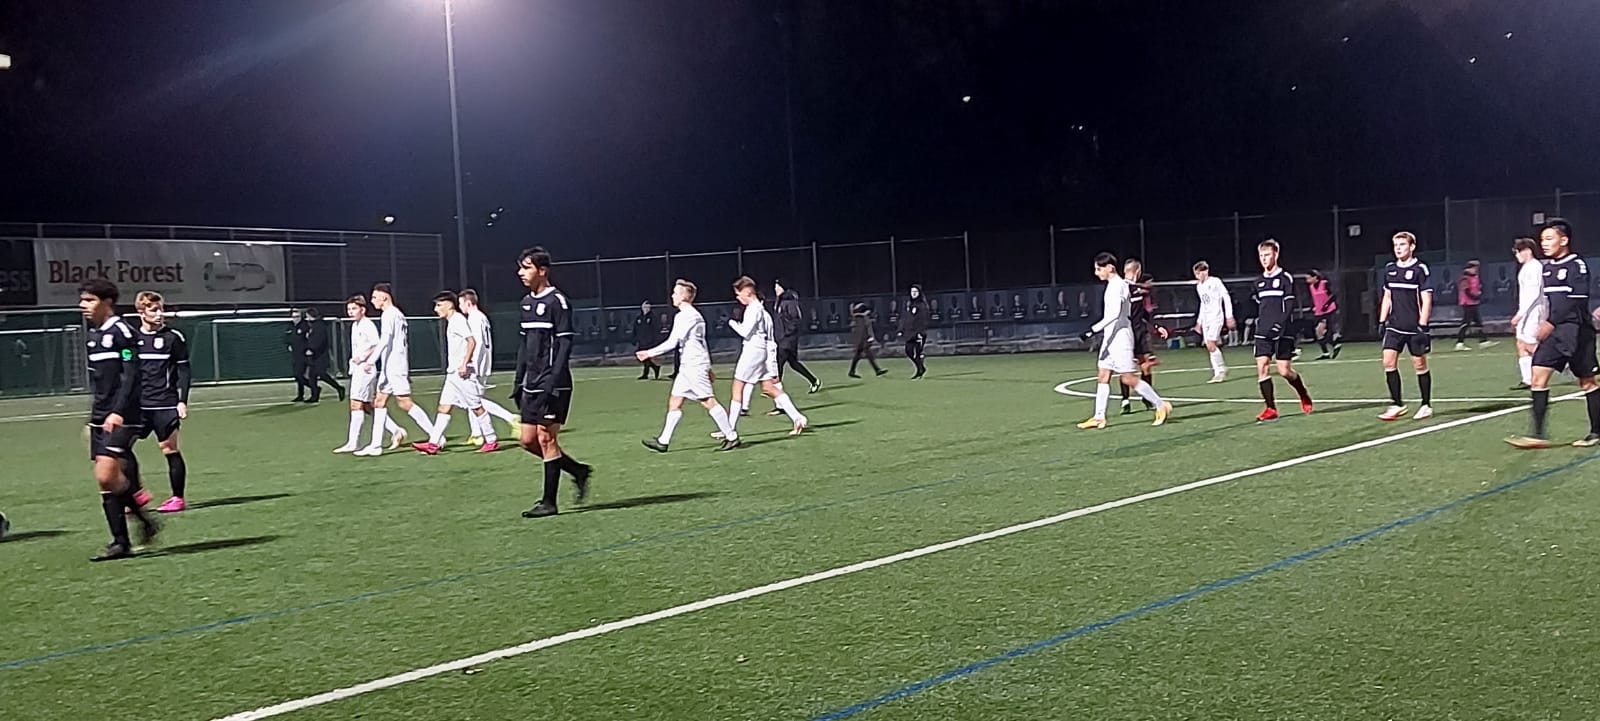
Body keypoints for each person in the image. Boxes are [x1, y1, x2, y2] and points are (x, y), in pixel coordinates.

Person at [78, 278, 160, 561]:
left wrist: (118, 411)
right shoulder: (93, 336)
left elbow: (132, 376)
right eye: (83, 300)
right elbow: (102, 384)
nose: (83, 305)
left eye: (90, 300)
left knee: (106, 475)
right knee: (107, 482)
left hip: (125, 415)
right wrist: (93, 419)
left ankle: (140, 523)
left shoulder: (122, 331)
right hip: (101, 415)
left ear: (107, 302)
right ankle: (122, 541)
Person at [512, 248, 593, 516]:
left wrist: (553, 381)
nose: (521, 273)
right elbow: (524, 344)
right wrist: (518, 380)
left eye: (526, 267)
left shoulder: (558, 301)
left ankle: (549, 502)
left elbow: (565, 344)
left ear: (542, 270)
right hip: (531, 382)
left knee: (546, 438)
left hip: (553, 382)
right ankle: (577, 470)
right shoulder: (526, 303)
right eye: (521, 267)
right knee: (527, 440)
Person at [1507, 219, 1600, 448]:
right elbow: (1550, 301)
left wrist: (1549, 322)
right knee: (1537, 376)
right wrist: (1545, 321)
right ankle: (1538, 435)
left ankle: (1596, 432)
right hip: (1556, 332)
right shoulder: (1547, 268)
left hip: (1577, 332)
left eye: (1549, 239)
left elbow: (1576, 301)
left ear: (1564, 240)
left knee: (1587, 382)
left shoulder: (1576, 265)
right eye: (1542, 240)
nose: (1544, 244)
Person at [638, 278, 740, 452]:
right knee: (675, 401)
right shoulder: (694, 315)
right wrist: (708, 366)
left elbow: (673, 342)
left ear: (684, 297)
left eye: (675, 293)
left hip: (694, 365)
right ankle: (663, 441)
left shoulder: (686, 316)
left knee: (708, 401)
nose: (672, 295)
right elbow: (702, 343)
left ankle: (732, 437)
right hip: (689, 366)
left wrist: (649, 353)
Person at [1077, 252, 1172, 429]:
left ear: (1109, 268)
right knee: (1103, 375)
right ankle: (1099, 417)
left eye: (1099, 269)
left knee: (1128, 378)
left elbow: (1114, 315)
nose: (1096, 273)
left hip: (1120, 337)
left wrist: (1091, 331)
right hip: (1110, 337)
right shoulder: (1112, 286)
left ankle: (1161, 405)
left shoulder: (1119, 286)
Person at [719, 276, 808, 438]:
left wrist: (731, 323)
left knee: (738, 387)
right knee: (769, 387)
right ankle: (798, 417)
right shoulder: (759, 309)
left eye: (738, 294)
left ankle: (729, 430)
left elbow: (745, 332)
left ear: (747, 292)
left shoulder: (753, 309)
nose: (738, 298)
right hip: (762, 350)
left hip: (753, 350)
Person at [407, 291, 494, 454]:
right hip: (452, 374)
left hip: (462, 374)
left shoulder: (458, 320)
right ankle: (433, 443)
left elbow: (472, 341)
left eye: (439, 305)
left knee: (476, 406)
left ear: (449, 305)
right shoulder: (452, 321)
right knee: (444, 407)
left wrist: (465, 364)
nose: (436, 309)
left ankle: (491, 439)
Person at [355, 283, 435, 456]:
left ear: (384, 297)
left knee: (404, 402)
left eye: (375, 297)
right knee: (379, 402)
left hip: (395, 366)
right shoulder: (396, 314)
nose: (372, 301)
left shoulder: (390, 314)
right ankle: (375, 445)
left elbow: (385, 340)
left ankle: (436, 437)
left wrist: (371, 361)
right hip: (389, 366)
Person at [132, 291, 192, 513]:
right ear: (141, 312)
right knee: (122, 448)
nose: (159, 314)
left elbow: (184, 370)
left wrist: (182, 400)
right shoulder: (131, 339)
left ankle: (177, 498)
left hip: (164, 404)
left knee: (169, 448)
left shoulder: (173, 338)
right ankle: (136, 494)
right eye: (154, 310)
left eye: (161, 309)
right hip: (138, 405)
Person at [1251, 239, 1314, 422]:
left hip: (1282, 330)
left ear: (1276, 255)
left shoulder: (1285, 278)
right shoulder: (1258, 282)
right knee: (1262, 366)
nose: (1264, 259)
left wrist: (1280, 324)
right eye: (1261, 256)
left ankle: (1302, 393)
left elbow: (1289, 305)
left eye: (1267, 255)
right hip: (1262, 331)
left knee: (1284, 371)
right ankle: (1270, 408)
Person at [1377, 231, 1435, 421]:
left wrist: (1423, 326)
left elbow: (1426, 299)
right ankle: (1397, 404)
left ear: (1412, 247)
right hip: (1394, 325)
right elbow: (1387, 296)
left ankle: (1425, 405)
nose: (1398, 248)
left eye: (1402, 244)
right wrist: (1382, 320)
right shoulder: (1390, 269)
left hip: (1414, 326)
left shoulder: (1420, 269)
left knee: (1419, 364)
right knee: (1388, 362)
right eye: (1396, 245)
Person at [334, 295, 402, 453]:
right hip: (358, 368)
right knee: (367, 406)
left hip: (365, 369)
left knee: (355, 403)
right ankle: (396, 430)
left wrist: (364, 358)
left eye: (354, 309)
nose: (351, 312)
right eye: (349, 309)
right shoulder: (355, 325)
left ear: (363, 310)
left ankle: (353, 442)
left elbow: (376, 344)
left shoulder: (367, 325)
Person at [458, 289, 519, 443]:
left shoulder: (474, 319)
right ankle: (476, 434)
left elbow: (477, 343)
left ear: (468, 303)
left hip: (478, 364)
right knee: (473, 399)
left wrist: (471, 363)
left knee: (473, 400)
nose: (460, 307)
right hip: (484, 362)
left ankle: (510, 418)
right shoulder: (482, 317)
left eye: (461, 303)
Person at [1120, 259, 1160, 413]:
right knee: (1126, 368)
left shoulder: (1139, 290)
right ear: (1137, 271)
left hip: (1139, 331)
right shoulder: (1121, 287)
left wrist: (1156, 326)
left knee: (1145, 364)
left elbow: (1144, 312)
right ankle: (1125, 400)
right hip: (1126, 332)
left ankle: (1146, 397)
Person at [772, 279, 821, 393]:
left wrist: (787, 334)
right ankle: (814, 380)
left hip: (787, 339)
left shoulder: (790, 302)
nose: (775, 289)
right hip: (782, 338)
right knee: (794, 363)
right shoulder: (779, 301)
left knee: (779, 362)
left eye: (777, 286)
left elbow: (796, 320)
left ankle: (776, 389)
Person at [1510, 237, 1545, 390]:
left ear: (1527, 251)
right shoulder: (1526, 268)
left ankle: (1563, 364)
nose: (1516, 255)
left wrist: (1520, 314)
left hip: (1533, 312)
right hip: (1527, 312)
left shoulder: (1534, 267)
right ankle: (1527, 379)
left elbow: (1534, 293)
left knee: (1530, 345)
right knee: (1521, 343)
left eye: (1518, 252)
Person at [1191, 261, 1235, 383]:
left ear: (1205, 271)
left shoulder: (1215, 282)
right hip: (1206, 319)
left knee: (1211, 344)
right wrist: (1199, 322)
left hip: (1216, 317)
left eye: (1199, 273)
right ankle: (1217, 372)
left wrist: (1229, 316)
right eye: (1196, 274)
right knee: (1209, 346)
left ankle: (1221, 370)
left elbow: (1226, 297)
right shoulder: (1199, 286)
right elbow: (1203, 304)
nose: (1197, 276)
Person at [301, 307, 345, 403]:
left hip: (320, 355)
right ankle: (314, 396)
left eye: (308, 316)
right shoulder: (312, 325)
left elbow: (320, 340)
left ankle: (339, 387)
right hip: (314, 356)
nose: (307, 318)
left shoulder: (319, 326)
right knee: (312, 376)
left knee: (322, 374)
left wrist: (312, 349)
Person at [1454, 260, 1495, 351]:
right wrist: (1475, 297)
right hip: (1467, 303)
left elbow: (1477, 288)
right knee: (1466, 323)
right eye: (1474, 268)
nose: (1476, 270)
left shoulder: (1475, 277)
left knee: (1478, 323)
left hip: (1473, 303)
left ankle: (1483, 341)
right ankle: (1459, 343)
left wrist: (1479, 294)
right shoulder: (1465, 278)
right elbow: (1466, 290)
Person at [1305, 269, 1342, 359]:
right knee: (1319, 333)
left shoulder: (1324, 283)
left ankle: (1332, 346)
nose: (1307, 280)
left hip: (1328, 311)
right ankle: (1330, 349)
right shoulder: (1311, 287)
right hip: (1319, 312)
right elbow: (1314, 299)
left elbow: (1333, 295)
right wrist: (1313, 307)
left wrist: (1326, 305)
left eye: (1309, 278)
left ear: (1315, 277)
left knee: (1321, 331)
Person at [848, 302, 888, 378]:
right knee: (866, 354)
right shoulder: (862, 319)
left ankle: (852, 371)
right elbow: (864, 330)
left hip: (860, 340)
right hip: (862, 340)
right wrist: (868, 338)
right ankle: (877, 370)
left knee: (860, 355)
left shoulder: (857, 319)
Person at [900, 284, 929, 379]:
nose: (913, 293)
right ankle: (921, 368)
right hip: (909, 333)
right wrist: (901, 329)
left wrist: (920, 332)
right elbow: (904, 318)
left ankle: (919, 370)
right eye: (912, 292)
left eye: (915, 292)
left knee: (917, 353)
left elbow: (923, 320)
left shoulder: (922, 305)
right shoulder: (908, 304)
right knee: (908, 351)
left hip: (918, 333)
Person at [287, 309, 311, 402]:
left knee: (300, 374)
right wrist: (289, 344)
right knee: (297, 376)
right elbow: (288, 337)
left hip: (303, 355)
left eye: (297, 317)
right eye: (293, 317)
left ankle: (313, 388)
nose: (295, 319)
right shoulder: (290, 327)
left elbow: (309, 338)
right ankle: (301, 395)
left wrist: (309, 349)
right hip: (295, 355)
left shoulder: (305, 326)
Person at [633, 300, 661, 380]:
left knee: (645, 356)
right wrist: (634, 339)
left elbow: (656, 329)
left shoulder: (653, 318)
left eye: (648, 307)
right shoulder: (639, 318)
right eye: (645, 307)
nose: (646, 309)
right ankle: (655, 367)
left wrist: (655, 340)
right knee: (641, 357)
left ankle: (646, 373)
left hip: (649, 341)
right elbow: (635, 329)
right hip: (641, 341)